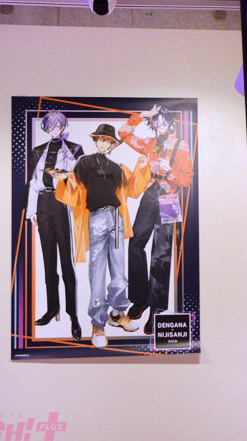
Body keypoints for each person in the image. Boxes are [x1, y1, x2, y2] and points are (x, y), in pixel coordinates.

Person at [54, 124, 150, 349]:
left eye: (108, 141)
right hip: (96, 218)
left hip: (116, 218)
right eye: (100, 140)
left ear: (112, 145)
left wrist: (141, 167)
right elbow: (73, 186)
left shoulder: (117, 167)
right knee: (97, 271)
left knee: (119, 270)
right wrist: (63, 177)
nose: (103, 144)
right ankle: (98, 324)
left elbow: (133, 189)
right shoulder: (85, 162)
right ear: (95, 141)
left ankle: (117, 313)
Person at [118, 105, 194, 335]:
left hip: (170, 197)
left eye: (161, 121)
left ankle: (156, 309)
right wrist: (139, 117)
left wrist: (170, 171)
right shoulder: (151, 143)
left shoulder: (182, 145)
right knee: (136, 243)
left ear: (169, 123)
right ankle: (140, 298)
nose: (158, 125)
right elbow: (124, 134)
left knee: (162, 253)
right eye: (155, 122)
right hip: (150, 193)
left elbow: (187, 180)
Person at [25, 111, 84, 341]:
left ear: (63, 126)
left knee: (66, 262)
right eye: (50, 127)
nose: (54, 130)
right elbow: (33, 182)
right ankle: (52, 308)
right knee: (48, 261)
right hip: (42, 204)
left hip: (62, 203)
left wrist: (66, 175)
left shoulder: (75, 149)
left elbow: (81, 179)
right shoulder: (38, 150)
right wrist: (32, 211)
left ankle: (73, 314)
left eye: (58, 126)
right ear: (46, 128)